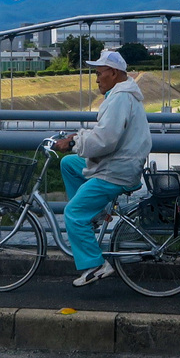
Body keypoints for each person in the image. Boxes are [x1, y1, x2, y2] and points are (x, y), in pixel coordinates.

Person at [51, 48, 153, 286]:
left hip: (116, 171)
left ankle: (95, 265)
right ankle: (95, 214)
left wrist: (75, 141)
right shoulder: (122, 94)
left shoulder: (119, 98)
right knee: (69, 164)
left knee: (73, 213)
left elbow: (106, 140)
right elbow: (106, 134)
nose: (96, 78)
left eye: (99, 73)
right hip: (121, 163)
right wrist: (79, 138)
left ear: (115, 73)